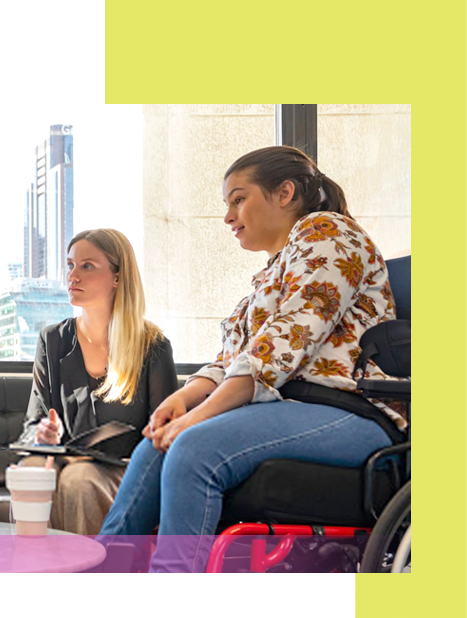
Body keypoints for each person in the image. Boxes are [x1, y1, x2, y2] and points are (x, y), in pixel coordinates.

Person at [99, 146, 406, 572]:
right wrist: (184, 400)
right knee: (156, 445)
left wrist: (198, 417)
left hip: (351, 413)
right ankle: (103, 564)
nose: (228, 217)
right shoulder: (274, 271)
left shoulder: (330, 236)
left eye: (238, 199)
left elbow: (282, 343)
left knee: (193, 446)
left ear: (284, 193)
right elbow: (232, 357)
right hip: (291, 407)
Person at [19, 228, 176, 535]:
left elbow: (164, 438)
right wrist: (43, 434)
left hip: (124, 472)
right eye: (70, 265)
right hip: (66, 464)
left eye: (87, 266)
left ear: (117, 277)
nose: (72, 276)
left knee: (80, 480)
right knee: (31, 472)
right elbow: (32, 424)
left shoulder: (152, 346)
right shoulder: (52, 341)